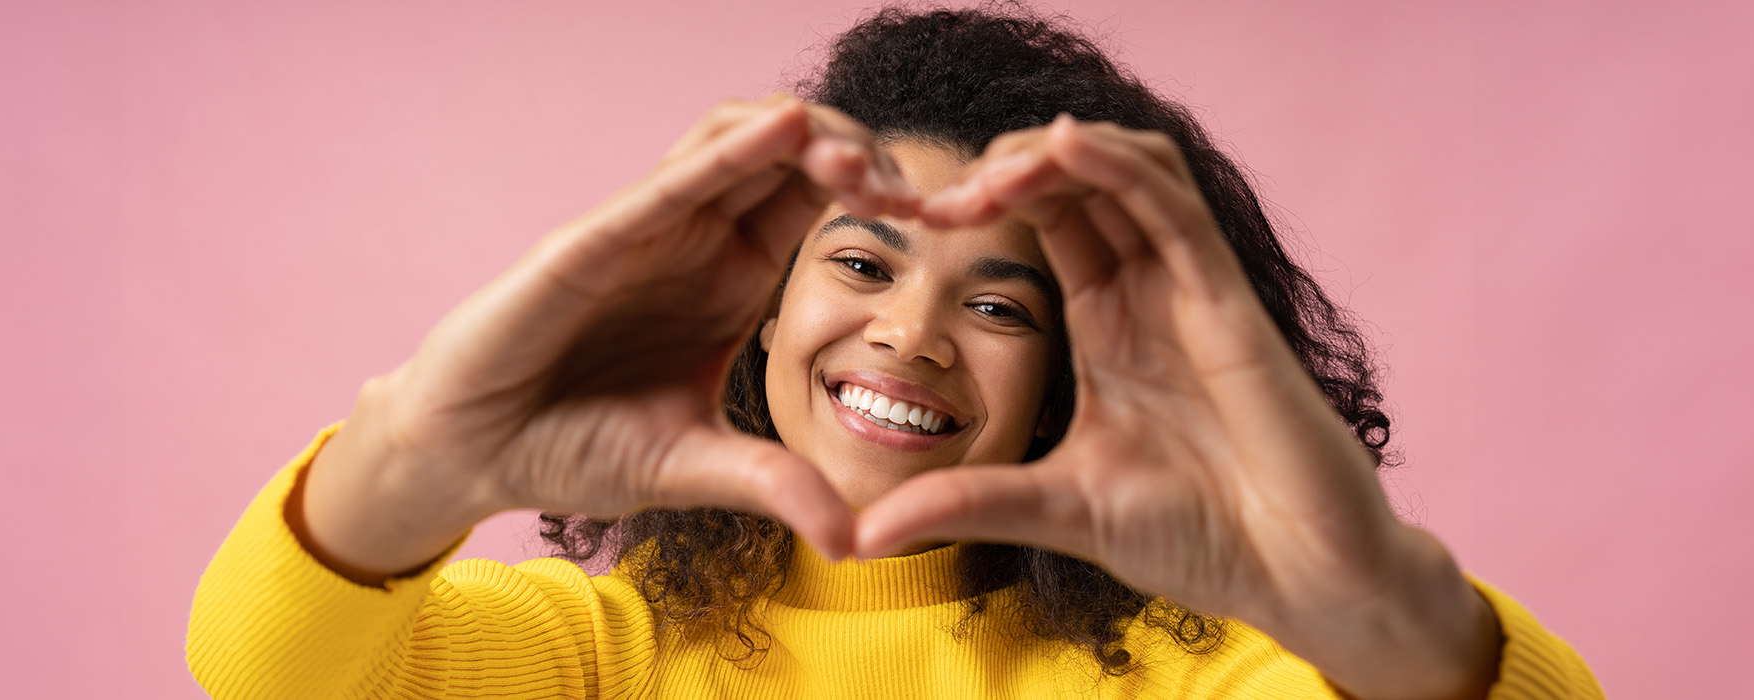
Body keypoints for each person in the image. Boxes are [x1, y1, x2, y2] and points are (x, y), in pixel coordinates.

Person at [188, 6, 1602, 699]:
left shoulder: (1207, 676)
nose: (908, 335)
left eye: (999, 305)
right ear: (762, 306)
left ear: (1075, 370)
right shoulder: (594, 655)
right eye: (860, 263)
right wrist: (425, 452)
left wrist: (1370, 603)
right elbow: (270, 669)